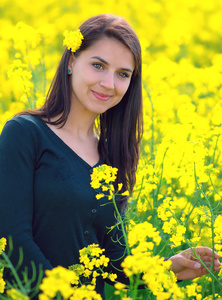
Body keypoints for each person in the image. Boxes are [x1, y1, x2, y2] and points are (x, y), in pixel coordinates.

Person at [0, 14, 220, 299]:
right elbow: (12, 237)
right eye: (98, 65)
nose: (108, 83)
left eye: (122, 74)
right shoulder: (25, 134)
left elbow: (114, 265)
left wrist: (167, 269)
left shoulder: (112, 156)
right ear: (70, 62)